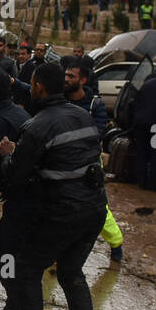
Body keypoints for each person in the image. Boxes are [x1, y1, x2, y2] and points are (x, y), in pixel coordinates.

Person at [0, 63, 106, 310]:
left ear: (38, 87)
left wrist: (7, 155)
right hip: (94, 210)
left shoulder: (37, 126)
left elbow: (15, 175)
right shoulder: (83, 115)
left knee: (28, 269)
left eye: (32, 84)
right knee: (71, 272)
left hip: (63, 213)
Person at [63, 60, 124, 263]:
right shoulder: (61, 99)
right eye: (65, 75)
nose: (66, 79)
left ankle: (116, 243)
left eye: (71, 76)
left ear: (83, 80)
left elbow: (96, 134)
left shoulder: (95, 104)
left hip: (88, 164)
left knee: (97, 206)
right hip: (63, 160)